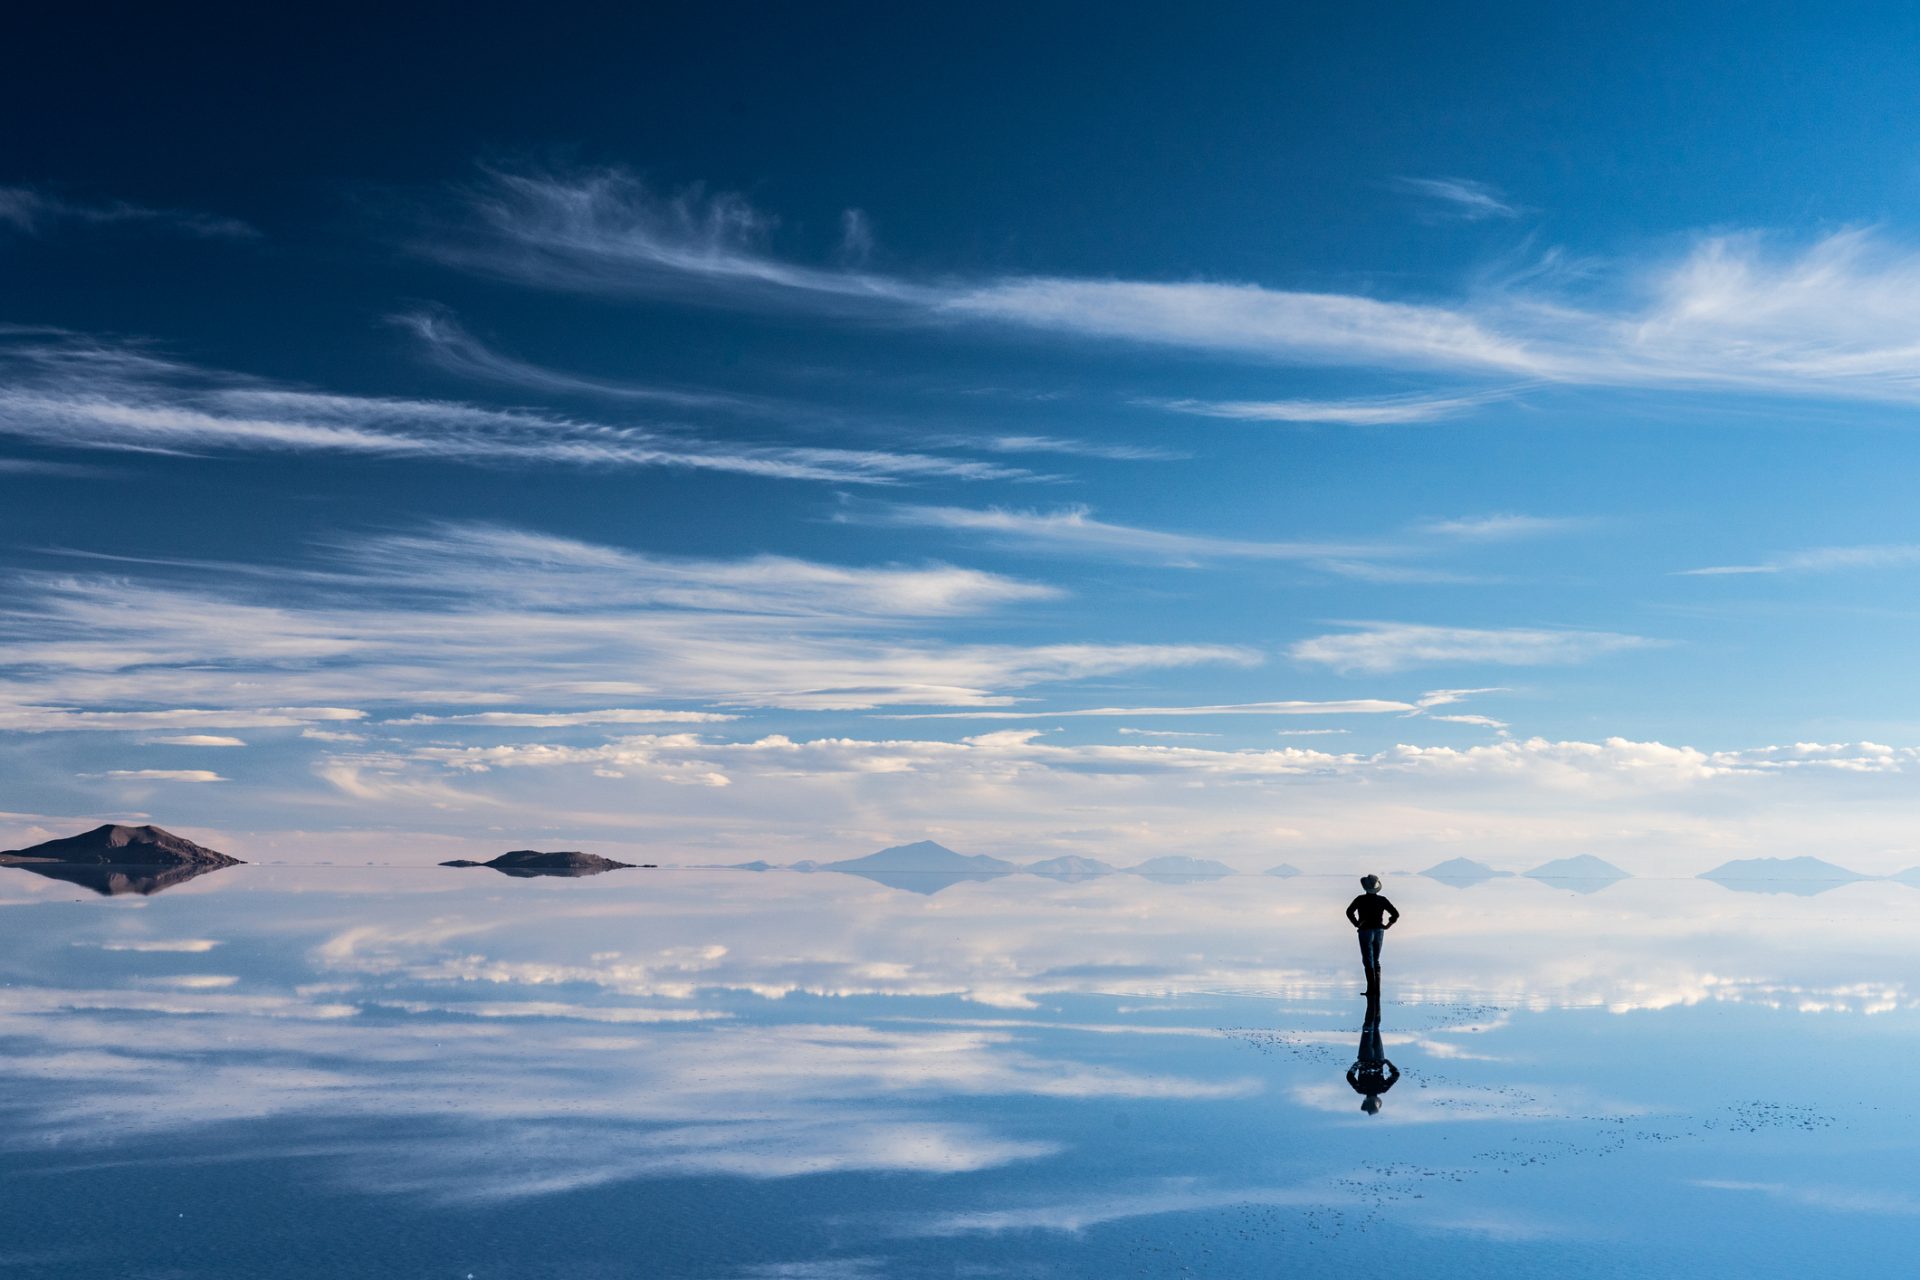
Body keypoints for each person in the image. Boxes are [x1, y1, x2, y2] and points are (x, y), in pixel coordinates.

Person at [1346, 988, 1399, 1114]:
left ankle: (1373, 999)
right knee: (1371, 1028)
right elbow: (1349, 1076)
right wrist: (1356, 1065)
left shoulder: (1380, 1089)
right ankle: (1373, 999)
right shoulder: (1363, 1089)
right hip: (1368, 1058)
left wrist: (1387, 1063)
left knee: (1373, 1028)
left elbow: (1396, 1074)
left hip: (1375, 1058)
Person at [1345, 874, 1398, 989]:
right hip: (1379, 931)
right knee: (1376, 959)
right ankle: (1376, 989)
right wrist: (1387, 925)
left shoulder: (1360, 899)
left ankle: (1371, 989)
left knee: (1367, 959)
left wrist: (1357, 924)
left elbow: (1349, 912)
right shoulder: (1382, 900)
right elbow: (1395, 914)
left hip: (1365, 931)